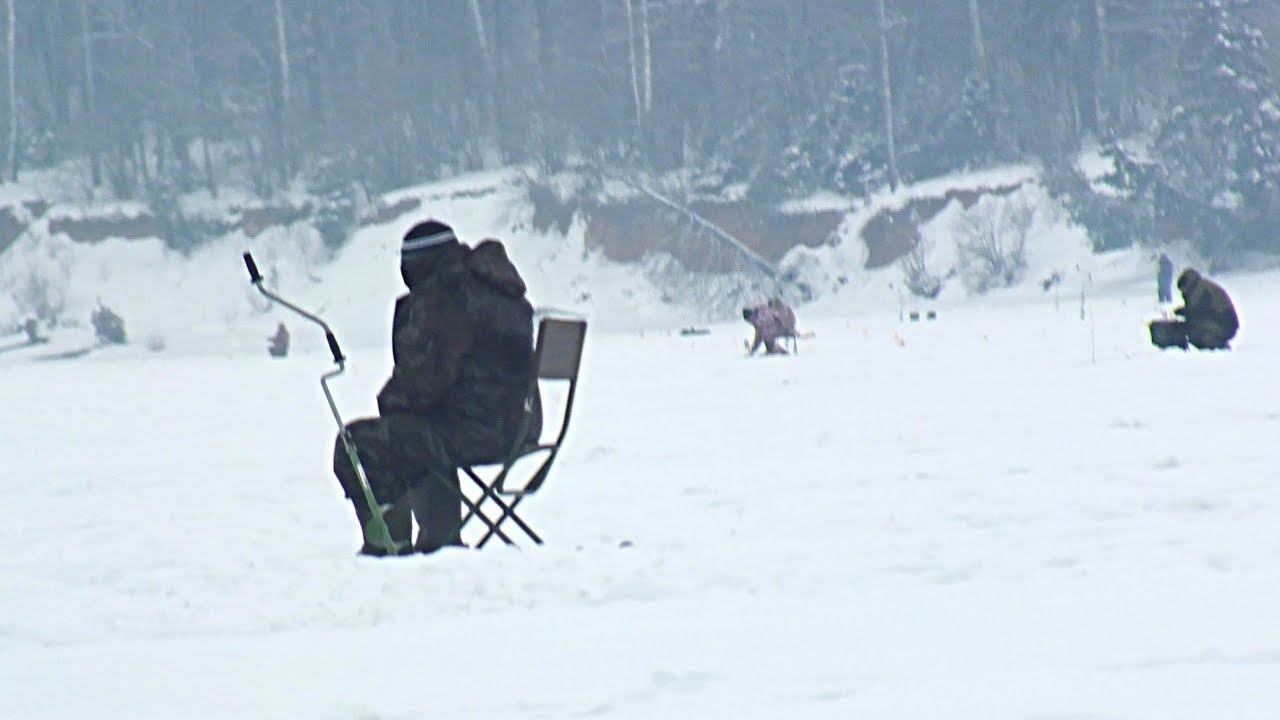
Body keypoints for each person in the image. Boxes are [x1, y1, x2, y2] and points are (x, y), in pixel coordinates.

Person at [332, 220, 541, 555]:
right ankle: (440, 541)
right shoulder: (499, 290)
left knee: (356, 445)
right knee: (418, 434)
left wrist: (391, 402)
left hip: (476, 433)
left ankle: (389, 546)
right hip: (519, 427)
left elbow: (421, 384)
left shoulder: (447, 298)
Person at [1171, 268, 1239, 350]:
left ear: (1187, 285)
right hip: (1220, 321)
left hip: (1225, 324)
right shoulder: (1199, 287)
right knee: (1192, 329)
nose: (1182, 293)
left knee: (1195, 334)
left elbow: (1199, 313)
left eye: (1183, 290)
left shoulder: (1202, 291)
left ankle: (1217, 344)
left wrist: (1183, 312)